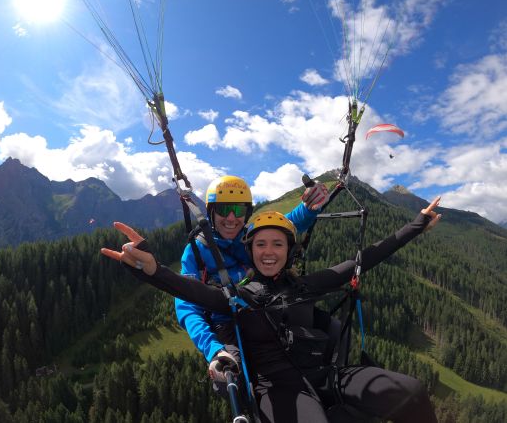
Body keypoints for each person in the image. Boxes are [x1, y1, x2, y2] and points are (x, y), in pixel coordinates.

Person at [101, 197, 441, 423]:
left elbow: (363, 259)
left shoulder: (306, 285)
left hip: (326, 374)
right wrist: (149, 268)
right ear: (250, 252)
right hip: (277, 387)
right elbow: (188, 290)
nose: (268, 251)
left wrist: (416, 225)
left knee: (411, 392)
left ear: (288, 251)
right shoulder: (236, 297)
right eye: (260, 244)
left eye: (277, 244)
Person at [176, 175, 329, 383]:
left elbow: (285, 226)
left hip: (266, 311)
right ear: (211, 213)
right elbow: (187, 306)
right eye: (223, 210)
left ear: (247, 213)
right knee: (234, 380)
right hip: (226, 326)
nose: (231, 218)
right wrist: (213, 349)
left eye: (238, 210)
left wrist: (310, 207)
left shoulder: (249, 236)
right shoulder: (196, 251)